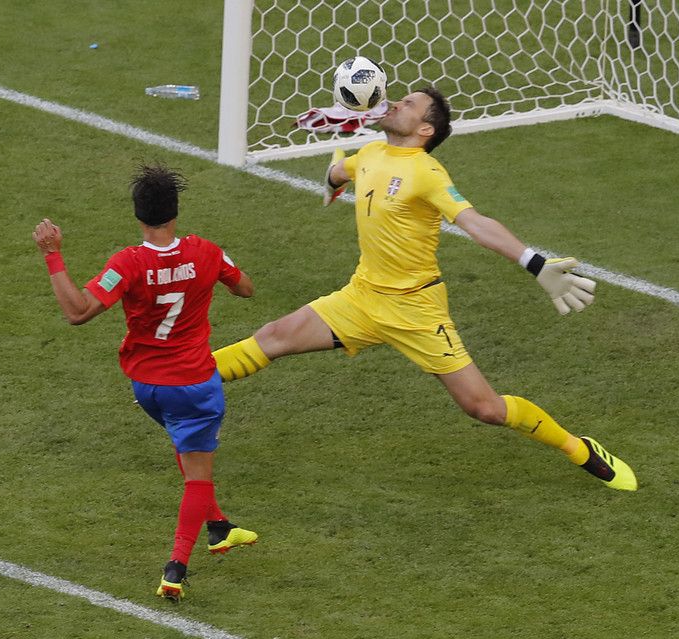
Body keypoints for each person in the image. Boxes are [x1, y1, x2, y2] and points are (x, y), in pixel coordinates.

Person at [212, 88, 637, 491]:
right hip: (362, 297)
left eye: (409, 104)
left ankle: (578, 448)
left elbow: (475, 223)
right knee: (273, 337)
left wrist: (535, 263)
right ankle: (179, 380)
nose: (396, 102)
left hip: (417, 309)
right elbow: (340, 169)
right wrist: (332, 177)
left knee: (485, 408)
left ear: (425, 129)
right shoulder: (371, 153)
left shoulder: (427, 172)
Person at [32, 164, 258, 603]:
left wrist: (52, 254)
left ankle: (219, 526)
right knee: (198, 473)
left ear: (138, 216)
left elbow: (78, 311)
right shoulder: (207, 252)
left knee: (186, 444)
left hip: (147, 388)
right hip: (195, 385)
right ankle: (176, 568)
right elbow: (245, 288)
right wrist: (215, 269)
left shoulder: (127, 264)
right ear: (176, 212)